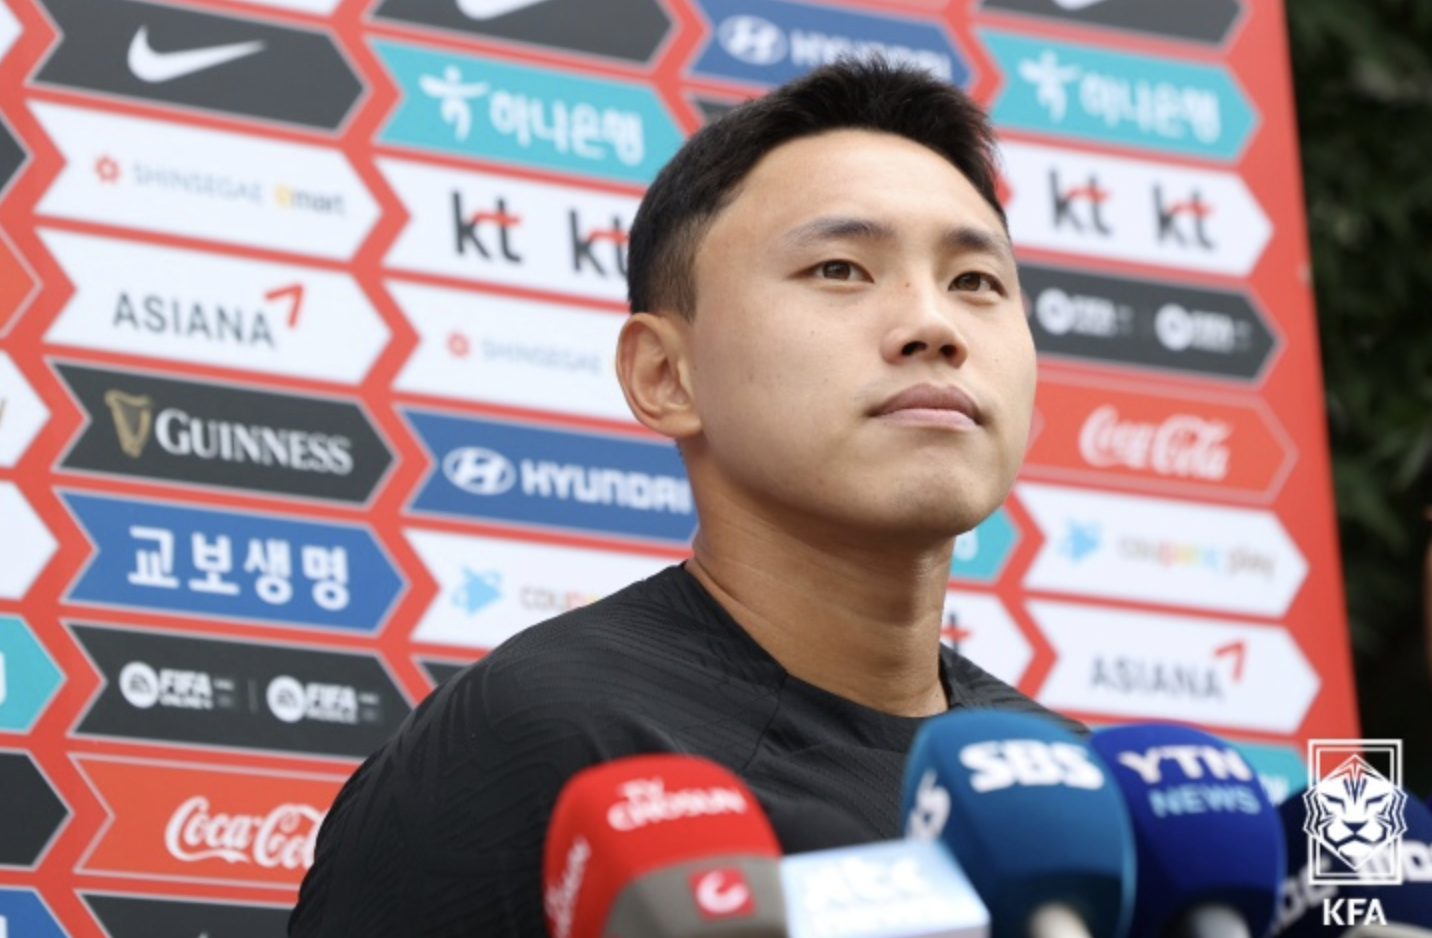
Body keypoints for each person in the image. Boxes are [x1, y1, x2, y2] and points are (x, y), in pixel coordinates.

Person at [290, 57, 1081, 937]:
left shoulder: (1072, 787)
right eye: (840, 268)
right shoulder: (543, 741)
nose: (934, 325)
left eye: (975, 282)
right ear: (664, 375)